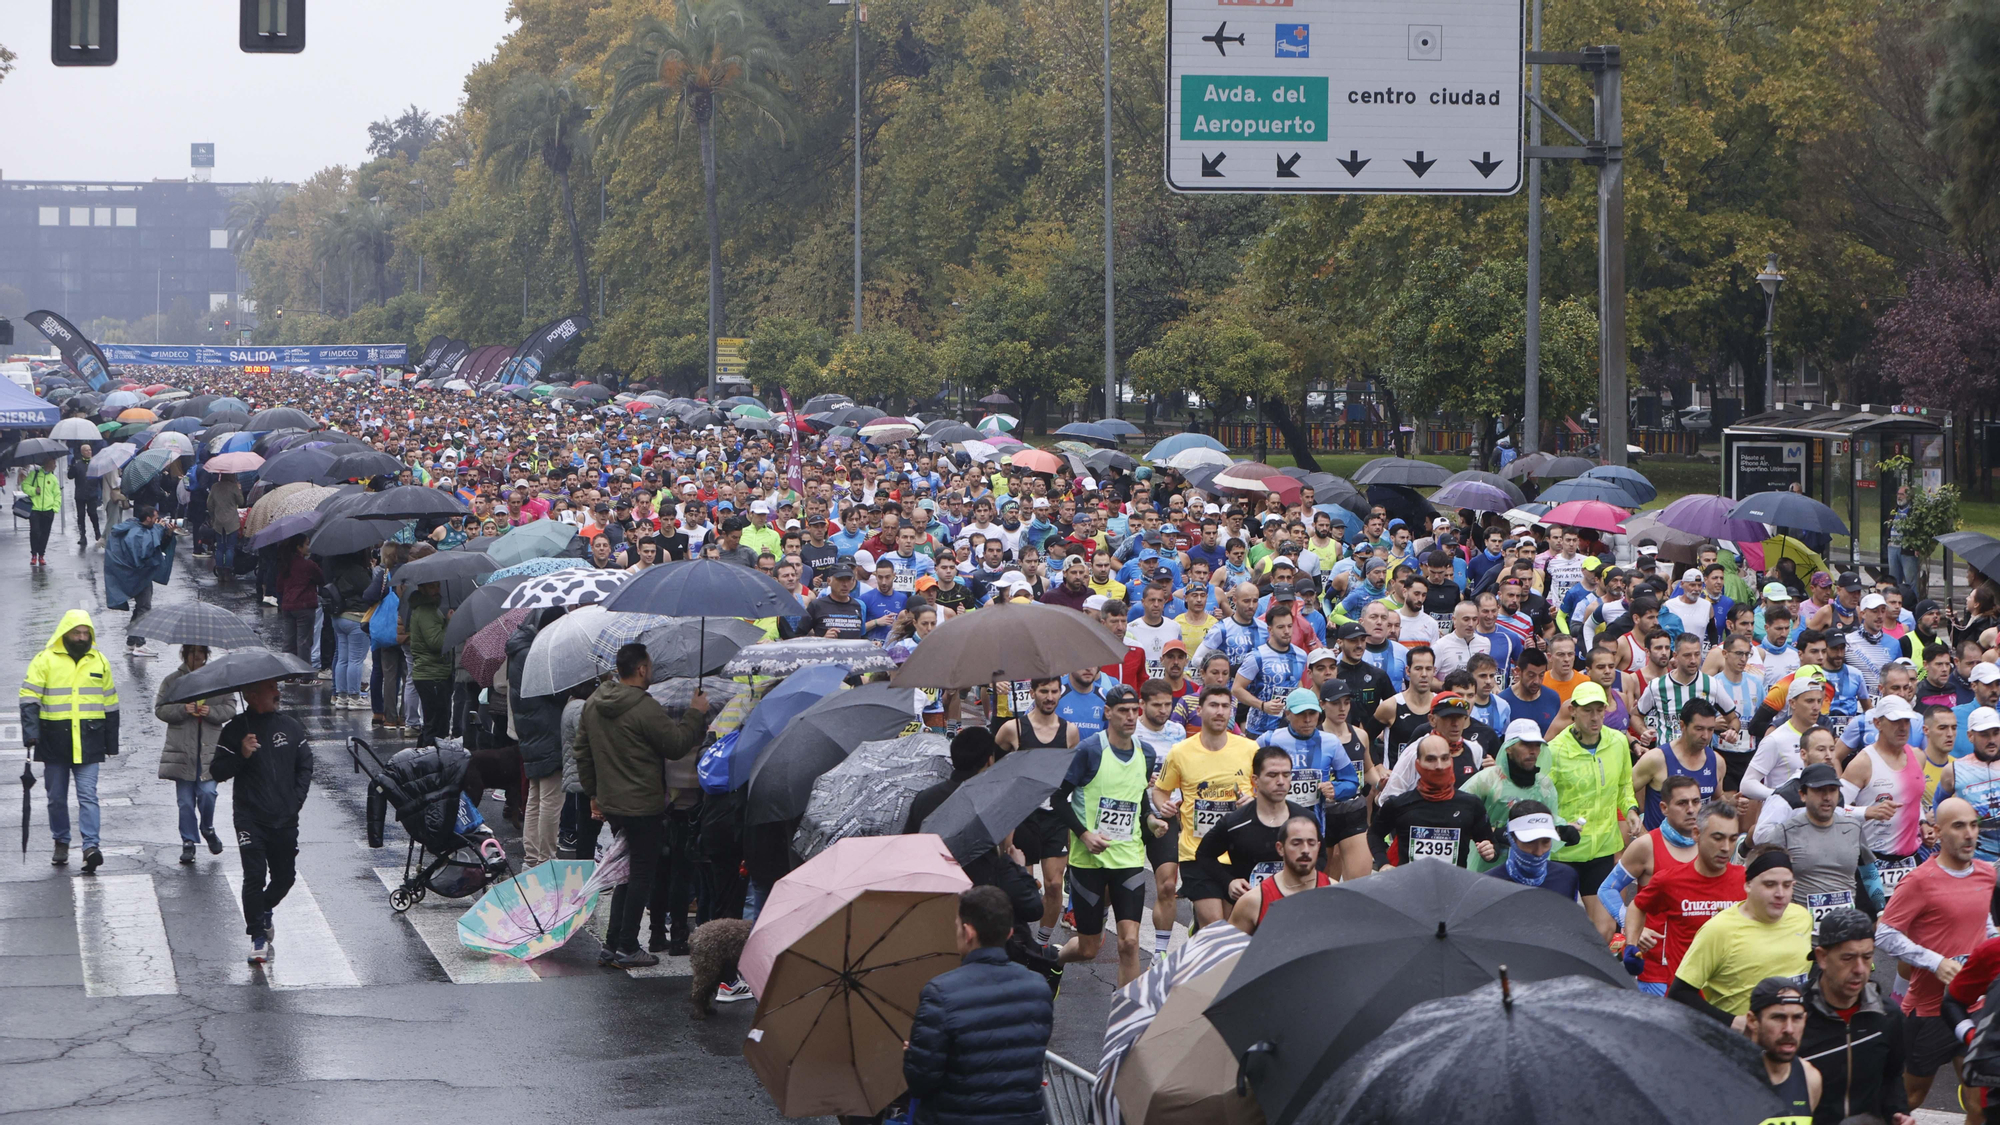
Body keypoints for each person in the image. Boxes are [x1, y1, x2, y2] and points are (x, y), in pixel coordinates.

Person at [571, 643, 712, 970]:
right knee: (640, 877)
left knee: (625, 872)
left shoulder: (593, 703)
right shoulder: (643, 707)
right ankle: (628, 945)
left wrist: (594, 794)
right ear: (641, 669)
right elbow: (676, 745)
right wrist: (695, 712)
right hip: (643, 806)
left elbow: (582, 752)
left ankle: (612, 943)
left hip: (613, 804)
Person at [1875, 795, 1998, 1116]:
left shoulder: (1986, 873)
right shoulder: (1919, 881)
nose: (1969, 834)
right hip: (1929, 1010)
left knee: (1979, 1104)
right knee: (1909, 1099)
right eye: (1959, 826)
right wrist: (1936, 961)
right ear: (1938, 832)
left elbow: (1981, 920)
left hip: (1973, 1006)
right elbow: (1884, 933)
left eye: (1973, 825)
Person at [902, 885, 1055, 1125]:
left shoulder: (939, 993)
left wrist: (915, 1055)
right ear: (1008, 934)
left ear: (968, 932)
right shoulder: (1037, 988)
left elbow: (921, 1081)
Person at [1052, 684, 1155, 986]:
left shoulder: (1145, 754)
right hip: (1089, 862)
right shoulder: (1089, 751)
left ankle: (1127, 1021)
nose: (1131, 717)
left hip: (1129, 858)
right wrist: (1083, 835)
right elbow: (1058, 799)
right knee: (1088, 948)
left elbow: (1140, 798)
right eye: (1123, 711)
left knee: (1130, 943)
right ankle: (1053, 960)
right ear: (1107, 713)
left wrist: (1151, 820)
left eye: (1135, 710)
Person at [212, 677, 315, 964]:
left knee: (285, 879)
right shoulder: (235, 730)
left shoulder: (291, 727)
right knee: (254, 876)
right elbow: (217, 771)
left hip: (284, 817)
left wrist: (296, 800)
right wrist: (242, 754)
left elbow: (305, 765)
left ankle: (263, 910)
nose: (277, 693)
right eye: (271, 689)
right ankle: (258, 935)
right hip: (250, 818)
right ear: (253, 696)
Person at [20, 610, 120, 873]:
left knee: (88, 795)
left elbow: (110, 703)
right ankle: (61, 841)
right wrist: (31, 732)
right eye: (77, 633)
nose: (81, 637)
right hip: (55, 742)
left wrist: (111, 743)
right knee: (56, 798)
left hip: (89, 741)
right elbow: (29, 698)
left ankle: (91, 847)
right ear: (65, 633)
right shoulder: (45, 660)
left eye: (86, 633)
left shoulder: (99, 661)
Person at [1151, 684, 1257, 927]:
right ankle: (1203, 928)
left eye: (1225, 706)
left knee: (1233, 927)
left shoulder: (1249, 748)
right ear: (1200, 710)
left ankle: (1198, 932)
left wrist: (1254, 801)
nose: (1220, 712)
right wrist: (1164, 806)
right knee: (1215, 925)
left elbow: (1264, 791)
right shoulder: (1180, 752)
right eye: (1213, 705)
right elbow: (1160, 791)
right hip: (1196, 851)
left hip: (1237, 851)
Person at [1670, 845, 1813, 1023]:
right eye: (1770, 884)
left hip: (1793, 1038)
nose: (1780, 894)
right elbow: (1679, 994)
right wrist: (1731, 1022)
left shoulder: (1802, 918)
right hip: (1740, 1044)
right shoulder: (1719, 929)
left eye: (1787, 885)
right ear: (1747, 884)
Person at [1798, 907, 1914, 1125]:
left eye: (1867, 957)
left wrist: (1898, 1112)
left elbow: (1892, 1077)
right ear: (1822, 957)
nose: (1860, 969)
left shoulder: (1887, 1015)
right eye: (1848, 958)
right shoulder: (1796, 1017)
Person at [1547, 681, 1639, 940]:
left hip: (1601, 850)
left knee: (1605, 928)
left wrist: (1631, 810)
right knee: (1559, 931)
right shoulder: (1555, 751)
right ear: (1573, 711)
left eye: (1600, 709)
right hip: (1563, 853)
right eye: (1588, 710)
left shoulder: (1619, 742)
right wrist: (1560, 826)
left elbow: (1624, 786)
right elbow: (1542, 800)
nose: (1595, 716)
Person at [1627, 797, 1746, 996]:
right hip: (1685, 1000)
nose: (1726, 847)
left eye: (1732, 839)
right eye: (1718, 838)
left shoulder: (1747, 882)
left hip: (1731, 1002)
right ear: (1697, 834)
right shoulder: (1670, 881)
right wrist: (1631, 944)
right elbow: (1638, 906)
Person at [994, 677, 1079, 945]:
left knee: (1054, 884)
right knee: (1022, 887)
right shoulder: (1012, 729)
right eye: (1044, 691)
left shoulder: (1070, 732)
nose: (1050, 697)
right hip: (1023, 815)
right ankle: (1018, 940)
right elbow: (994, 768)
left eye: (1055, 691)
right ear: (1032, 693)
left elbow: (1072, 777)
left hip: (1054, 815)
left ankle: (1040, 944)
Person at [1194, 744, 1314, 918]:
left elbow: (1321, 857)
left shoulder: (1305, 819)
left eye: (1286, 775)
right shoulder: (1235, 822)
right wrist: (1229, 882)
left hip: (1293, 906)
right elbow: (1204, 855)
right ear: (1255, 780)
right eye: (1272, 775)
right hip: (1247, 910)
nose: (1280, 781)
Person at [155, 645, 238, 865]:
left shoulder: (218, 680)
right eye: (193, 655)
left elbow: (230, 708)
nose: (197, 659)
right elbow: (161, 709)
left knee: (208, 793)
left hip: (210, 749)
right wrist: (184, 709)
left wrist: (211, 712)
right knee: (184, 801)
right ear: (185, 655)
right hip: (182, 749)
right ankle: (189, 842)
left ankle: (207, 828)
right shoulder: (172, 680)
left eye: (201, 655)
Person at [1373, 733, 1498, 869]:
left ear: (1451, 761)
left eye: (1444, 758)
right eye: (1431, 759)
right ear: (1418, 764)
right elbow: (1374, 834)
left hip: (1454, 885)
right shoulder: (1399, 804)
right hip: (1410, 885)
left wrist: (1490, 851)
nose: (1439, 766)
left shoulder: (1470, 804)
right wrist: (1383, 863)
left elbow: (1490, 844)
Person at [506, 608, 568, 867]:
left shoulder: (520, 649)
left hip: (529, 730)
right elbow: (555, 693)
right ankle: (546, 859)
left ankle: (532, 858)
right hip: (548, 731)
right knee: (550, 800)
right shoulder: (539, 653)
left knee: (535, 797)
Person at [1632, 697, 1724, 830]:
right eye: (1699, 729)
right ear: (1682, 726)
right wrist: (1635, 816)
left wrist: (1732, 803)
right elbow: (1622, 793)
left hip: (1696, 846)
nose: (1705, 736)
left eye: (1710, 729)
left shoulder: (1717, 761)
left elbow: (1716, 799)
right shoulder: (1657, 758)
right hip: (1659, 845)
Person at [1229, 814, 1330, 933]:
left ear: (1318, 847)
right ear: (1280, 848)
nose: (1305, 850)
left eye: (1311, 843)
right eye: (1296, 843)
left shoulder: (1334, 892)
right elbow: (1228, 948)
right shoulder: (1254, 901)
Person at [103, 505, 174, 659]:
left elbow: (157, 546)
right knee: (145, 607)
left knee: (141, 607)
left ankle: (130, 643)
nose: (157, 521)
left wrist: (167, 533)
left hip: (138, 574)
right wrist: (159, 529)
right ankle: (140, 644)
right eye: (155, 518)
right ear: (147, 518)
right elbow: (145, 550)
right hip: (138, 574)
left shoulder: (138, 528)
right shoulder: (137, 533)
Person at [1747, 977, 1823, 1120]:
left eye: (1797, 1018)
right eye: (1778, 1018)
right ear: (1753, 1021)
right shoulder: (1729, 1078)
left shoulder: (1810, 1078)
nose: (1789, 1029)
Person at [1487, 800, 1581, 899]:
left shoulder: (1566, 877)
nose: (1539, 852)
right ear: (1511, 838)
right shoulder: (1489, 884)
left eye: (1546, 841)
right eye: (1529, 842)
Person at [405, 580, 453, 745]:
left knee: (435, 724)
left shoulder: (431, 609)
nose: (437, 589)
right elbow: (437, 643)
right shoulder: (426, 612)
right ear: (422, 588)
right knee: (435, 726)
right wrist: (449, 624)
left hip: (434, 673)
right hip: (432, 675)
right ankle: (427, 761)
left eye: (438, 585)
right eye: (432, 586)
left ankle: (423, 757)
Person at [22, 452, 60, 566]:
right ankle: (34, 554)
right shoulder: (34, 474)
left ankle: (41, 555)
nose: (55, 465)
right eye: (54, 463)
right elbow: (24, 486)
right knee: (35, 532)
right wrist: (34, 491)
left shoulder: (53, 478)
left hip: (48, 510)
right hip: (35, 508)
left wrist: (55, 508)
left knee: (45, 533)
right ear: (48, 463)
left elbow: (57, 494)